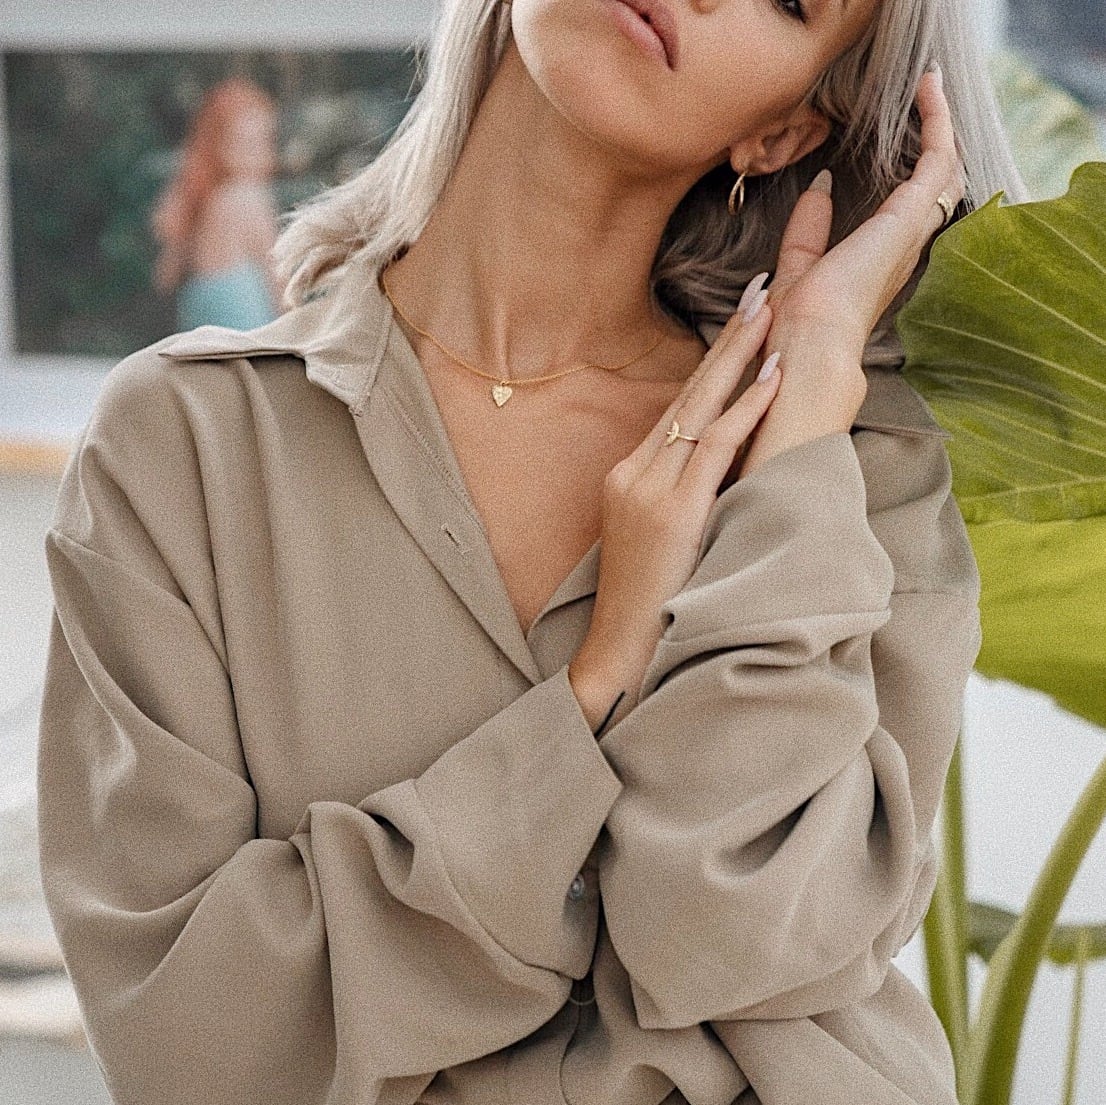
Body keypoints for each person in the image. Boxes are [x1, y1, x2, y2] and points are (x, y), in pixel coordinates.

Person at [37, 1, 1027, 1103]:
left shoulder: (847, 456)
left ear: (781, 133)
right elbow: (188, 1040)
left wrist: (800, 423)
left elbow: (743, 936)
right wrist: (597, 678)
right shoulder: (183, 442)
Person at [149, 76, 285, 331]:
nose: (263, 154)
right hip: (249, 338)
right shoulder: (248, 196)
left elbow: (165, 280)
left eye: (266, 140)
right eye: (247, 144)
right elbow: (278, 281)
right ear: (219, 147)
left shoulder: (201, 199)